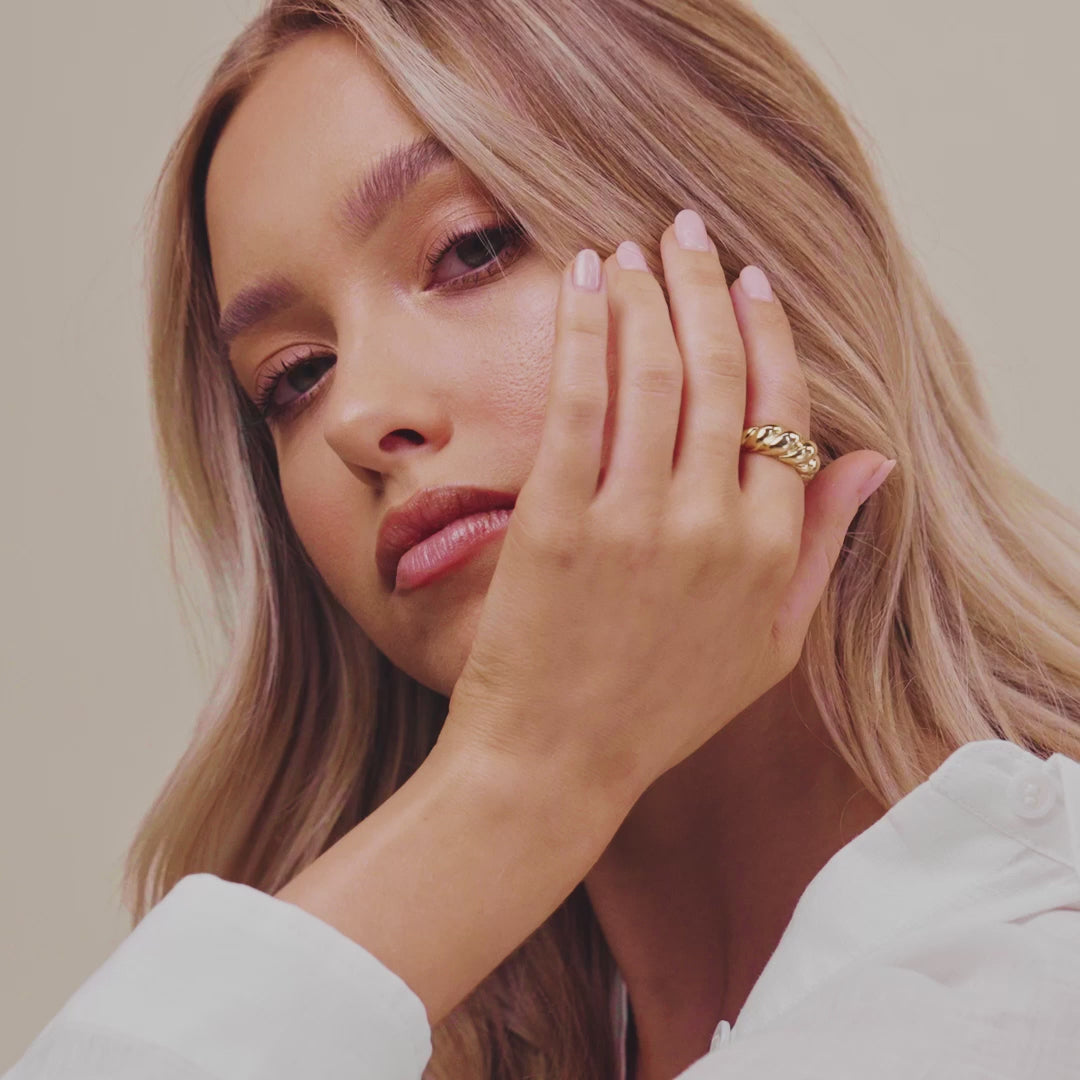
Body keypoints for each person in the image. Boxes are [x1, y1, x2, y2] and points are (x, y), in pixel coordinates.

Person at [7, 1, 1080, 1078]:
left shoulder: (1020, 988)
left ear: (764, 258)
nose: (355, 416)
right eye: (294, 377)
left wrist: (518, 777)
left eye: (468, 250)